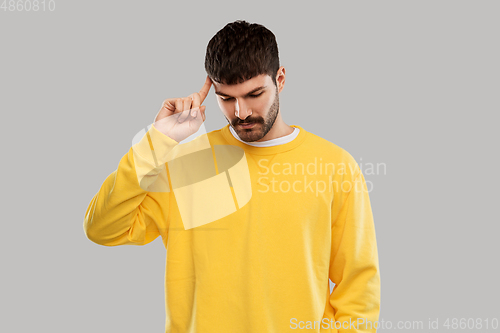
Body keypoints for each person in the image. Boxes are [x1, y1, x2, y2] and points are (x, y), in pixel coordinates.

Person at [84, 20, 380, 333]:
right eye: (226, 98)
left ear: (280, 79)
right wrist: (157, 142)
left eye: (254, 94)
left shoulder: (334, 165)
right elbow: (102, 229)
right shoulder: (183, 162)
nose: (241, 112)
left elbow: (358, 286)